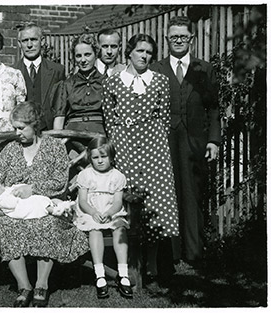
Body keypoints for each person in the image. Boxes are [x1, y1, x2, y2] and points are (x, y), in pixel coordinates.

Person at [0, 101, 89, 307]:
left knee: (48, 223)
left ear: (35, 125)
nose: (17, 133)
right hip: (14, 209)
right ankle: (23, 286)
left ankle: (41, 285)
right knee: (7, 225)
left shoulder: (54, 148)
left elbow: (60, 182)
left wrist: (32, 189)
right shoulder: (10, 150)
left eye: (21, 128)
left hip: (46, 204)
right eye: (14, 128)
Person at [102, 34, 179, 283]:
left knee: (156, 202)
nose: (144, 56)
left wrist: (154, 141)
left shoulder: (160, 81)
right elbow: (108, 118)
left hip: (154, 147)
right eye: (139, 51)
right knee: (129, 201)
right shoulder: (113, 82)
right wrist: (120, 139)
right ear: (129, 53)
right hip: (125, 145)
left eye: (148, 52)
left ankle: (153, 262)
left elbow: (165, 117)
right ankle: (131, 262)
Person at [150, 16, 221, 265]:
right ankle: (168, 255)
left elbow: (213, 108)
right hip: (163, 141)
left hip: (195, 140)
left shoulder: (204, 69)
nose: (178, 40)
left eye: (183, 36)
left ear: (192, 38)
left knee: (193, 194)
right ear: (167, 39)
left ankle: (194, 253)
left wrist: (213, 140)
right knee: (166, 196)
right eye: (174, 36)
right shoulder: (156, 69)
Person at [73, 136, 132, 299]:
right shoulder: (86, 175)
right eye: (95, 157)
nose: (99, 161)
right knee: (94, 230)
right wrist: (93, 212)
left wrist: (109, 213)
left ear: (111, 157)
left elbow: (118, 202)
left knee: (120, 228)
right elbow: (83, 201)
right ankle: (100, 275)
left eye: (103, 157)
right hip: (90, 212)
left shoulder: (117, 176)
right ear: (90, 158)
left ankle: (123, 273)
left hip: (111, 211)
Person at [14, 23, 65, 130]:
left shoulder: (57, 70)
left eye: (33, 39)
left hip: (49, 132)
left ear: (42, 41)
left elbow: (61, 106)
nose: (29, 45)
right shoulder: (12, 72)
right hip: (22, 133)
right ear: (19, 44)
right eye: (25, 40)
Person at [53, 33, 106, 134]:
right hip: (73, 137)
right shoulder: (67, 85)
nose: (83, 60)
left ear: (96, 54)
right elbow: (59, 119)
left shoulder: (105, 82)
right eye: (78, 56)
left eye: (87, 55)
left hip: (100, 136)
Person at [0, 182, 74, 219]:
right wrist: (14, 195)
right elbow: (12, 204)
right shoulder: (1, 201)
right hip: (22, 209)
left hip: (23, 203)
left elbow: (14, 188)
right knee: (39, 203)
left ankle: (64, 206)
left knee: (47, 200)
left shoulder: (4, 192)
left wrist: (18, 189)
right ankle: (55, 211)